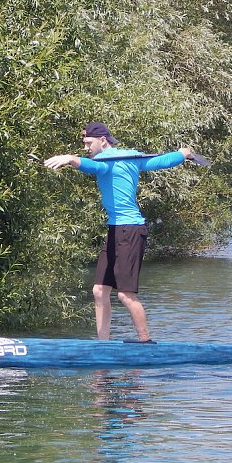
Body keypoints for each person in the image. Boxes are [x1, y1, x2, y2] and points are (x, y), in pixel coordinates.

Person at [44, 122, 193, 342]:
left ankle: (145, 342)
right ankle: (103, 345)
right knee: (99, 290)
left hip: (130, 230)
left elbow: (92, 166)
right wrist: (182, 154)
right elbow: (161, 161)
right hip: (115, 229)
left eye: (88, 143)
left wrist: (71, 159)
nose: (86, 148)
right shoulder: (130, 157)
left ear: (102, 140)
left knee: (125, 294)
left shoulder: (107, 161)